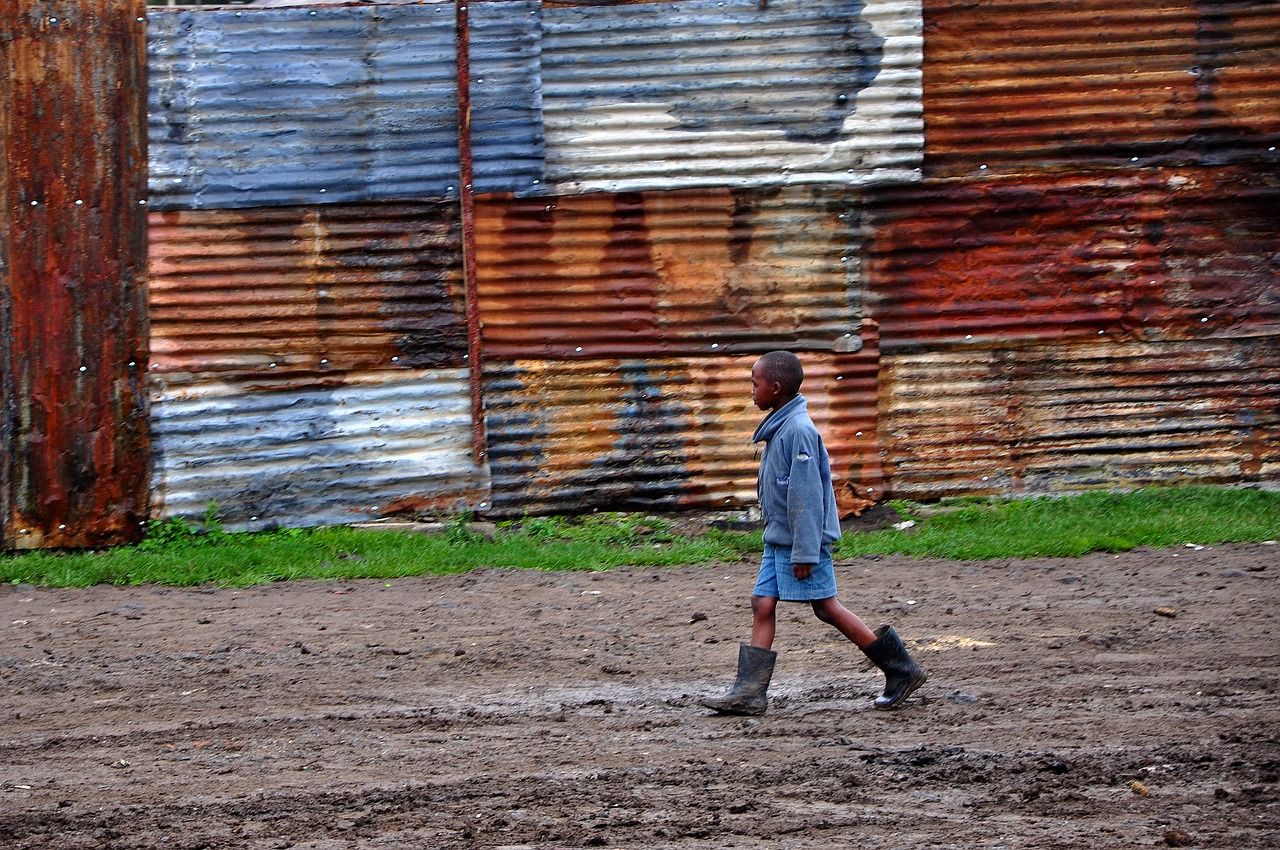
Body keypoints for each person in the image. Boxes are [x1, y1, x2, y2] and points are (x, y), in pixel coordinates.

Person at [702, 350, 927, 716]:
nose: (751, 391)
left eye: (754, 384)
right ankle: (749, 692)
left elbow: (806, 497)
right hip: (780, 539)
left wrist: (806, 551)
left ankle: (901, 669)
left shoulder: (799, 432)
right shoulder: (782, 426)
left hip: (801, 542)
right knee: (763, 603)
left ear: (775, 388)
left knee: (826, 607)